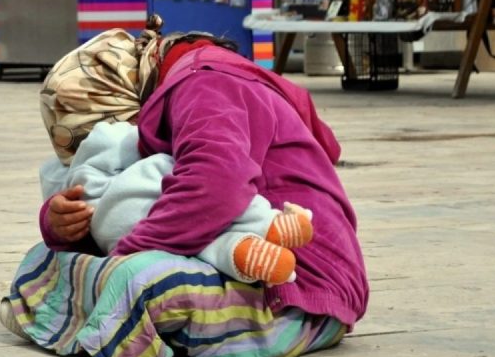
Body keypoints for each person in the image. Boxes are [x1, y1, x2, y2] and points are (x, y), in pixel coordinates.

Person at [1, 22, 369, 357]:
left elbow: (214, 185)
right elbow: (128, 196)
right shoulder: (189, 79)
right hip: (245, 267)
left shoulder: (206, 83)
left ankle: (102, 324)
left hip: (299, 289)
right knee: (43, 258)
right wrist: (62, 223)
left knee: (134, 279)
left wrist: (125, 251)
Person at [41, 121, 315, 286]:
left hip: (118, 233)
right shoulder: (118, 137)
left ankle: (242, 251)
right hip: (137, 222)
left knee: (202, 238)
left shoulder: (63, 167)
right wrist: (54, 222)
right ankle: (267, 223)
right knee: (203, 195)